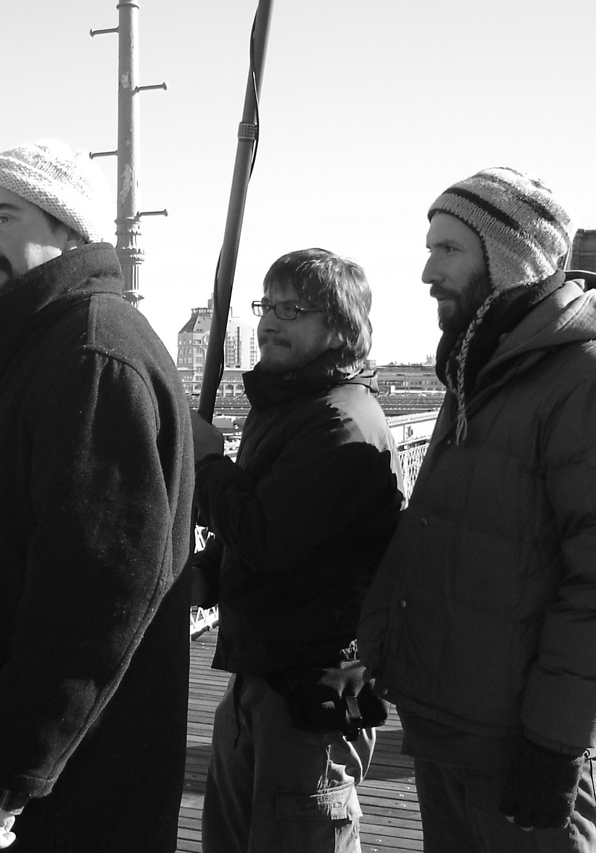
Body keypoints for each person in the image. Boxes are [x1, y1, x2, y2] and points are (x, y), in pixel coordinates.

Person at [0, 139, 194, 852]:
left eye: (3, 217)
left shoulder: (90, 354)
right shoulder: (54, 342)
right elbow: (43, 538)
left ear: (65, 227)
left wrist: (8, 774)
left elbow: (96, 593)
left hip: (63, 795)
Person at [358, 167, 596, 852]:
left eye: (447, 248)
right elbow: (434, 532)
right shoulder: (482, 370)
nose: (425, 270)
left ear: (506, 260)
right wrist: (379, 655)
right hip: (451, 723)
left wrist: (558, 742)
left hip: (521, 741)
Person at [189, 249, 405, 852]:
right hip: (263, 670)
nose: (270, 322)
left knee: (301, 836)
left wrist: (207, 462)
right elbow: (279, 530)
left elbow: (267, 536)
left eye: (294, 309)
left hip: (313, 688)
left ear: (339, 328)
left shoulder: (339, 424)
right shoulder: (292, 407)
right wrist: (208, 573)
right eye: (267, 305)